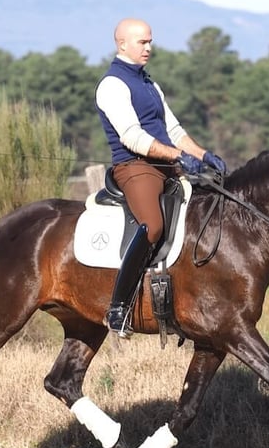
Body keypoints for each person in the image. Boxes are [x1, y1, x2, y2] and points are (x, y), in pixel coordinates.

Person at [95, 17, 227, 338]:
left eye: (150, 41)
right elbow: (133, 138)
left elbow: (174, 131)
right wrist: (179, 157)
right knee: (152, 225)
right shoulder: (112, 85)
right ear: (122, 44)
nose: (149, 47)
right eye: (142, 42)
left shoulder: (150, 85)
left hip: (167, 166)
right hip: (135, 168)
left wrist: (203, 155)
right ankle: (119, 308)